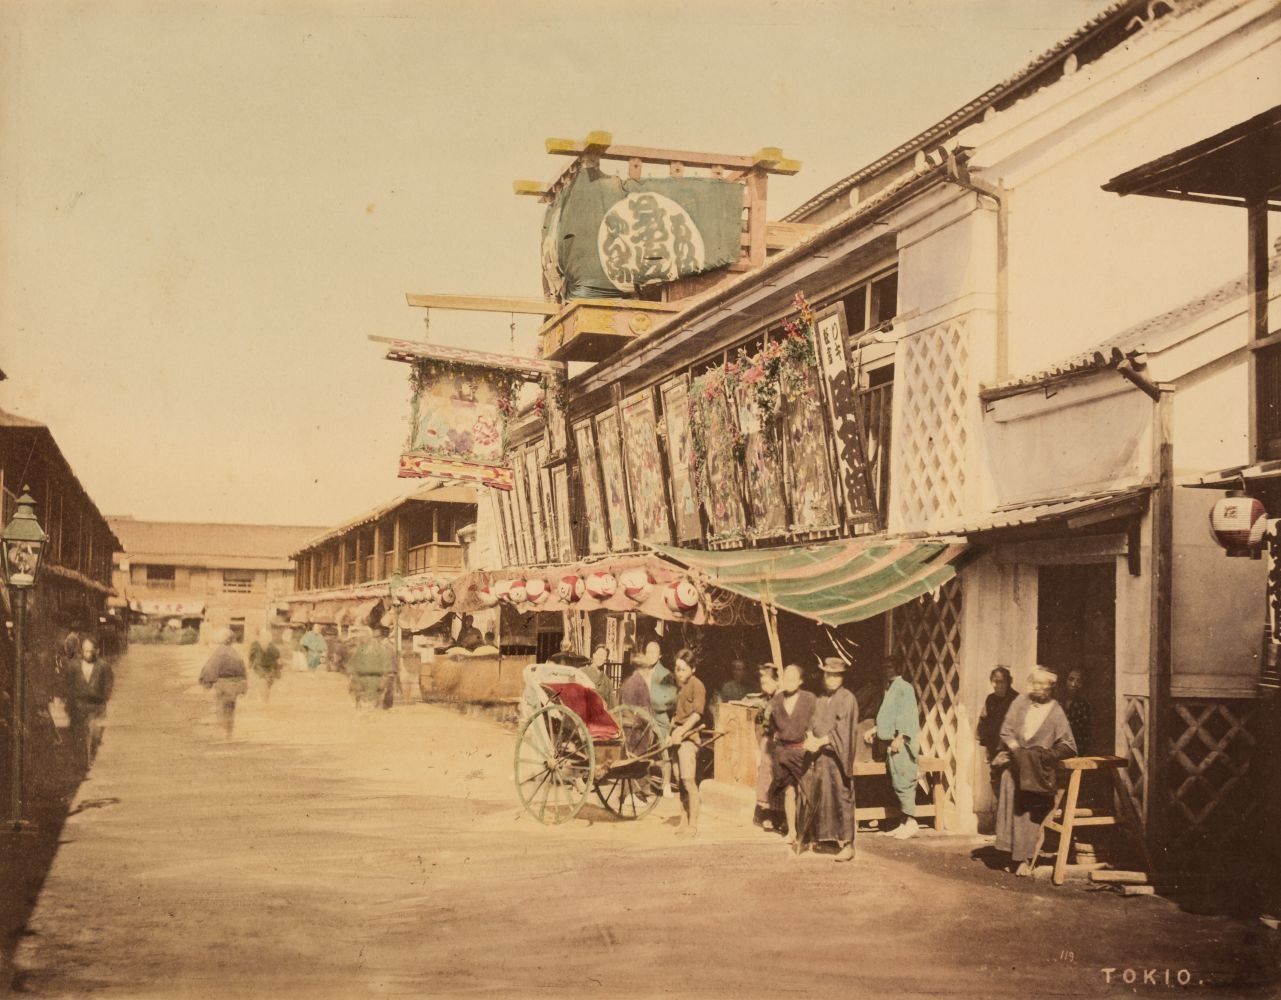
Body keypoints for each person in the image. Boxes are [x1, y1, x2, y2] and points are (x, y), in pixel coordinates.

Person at [994, 666, 1078, 876]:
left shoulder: (1056, 711)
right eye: (1035, 683)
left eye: (1043, 684)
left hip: (1038, 773)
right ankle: (1011, 854)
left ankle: (1025, 858)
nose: (1038, 688)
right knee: (1008, 781)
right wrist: (1018, 752)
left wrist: (1043, 756)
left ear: (1051, 687)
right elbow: (1006, 731)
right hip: (1016, 766)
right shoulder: (1020, 702)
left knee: (1028, 807)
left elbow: (1069, 745)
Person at [800, 658, 858, 861]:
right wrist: (809, 737)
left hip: (836, 756)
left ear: (842, 677)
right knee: (822, 795)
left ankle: (847, 843)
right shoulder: (821, 699)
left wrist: (822, 741)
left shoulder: (847, 698)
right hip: (820, 756)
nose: (831, 679)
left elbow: (843, 729)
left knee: (841, 796)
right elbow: (811, 721)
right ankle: (825, 839)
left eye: (836, 675)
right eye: (828, 674)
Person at [865, 657, 921, 839]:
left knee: (904, 782)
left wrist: (901, 737)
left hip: (901, 744)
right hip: (891, 743)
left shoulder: (905, 688)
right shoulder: (891, 689)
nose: (887, 670)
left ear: (898, 668)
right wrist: (876, 729)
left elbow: (908, 715)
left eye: (890, 667)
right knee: (896, 782)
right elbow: (889, 716)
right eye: (885, 667)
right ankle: (903, 822)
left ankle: (912, 822)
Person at [769, 663, 817, 849]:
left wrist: (811, 739)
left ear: (800, 681)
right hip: (784, 752)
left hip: (802, 751)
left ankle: (809, 833)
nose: (788, 681)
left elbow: (816, 722)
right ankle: (792, 831)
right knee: (789, 792)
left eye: (792, 678)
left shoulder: (809, 699)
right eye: (785, 677)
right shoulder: (777, 700)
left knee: (806, 792)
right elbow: (772, 724)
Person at [667, 648, 706, 837]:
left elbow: (697, 714)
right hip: (676, 737)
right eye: (677, 669)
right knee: (678, 781)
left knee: (689, 781)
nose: (679, 672)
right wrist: (671, 732)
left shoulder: (697, 685)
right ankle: (683, 820)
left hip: (689, 738)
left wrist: (682, 730)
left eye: (682, 669)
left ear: (693, 668)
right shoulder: (680, 687)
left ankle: (693, 824)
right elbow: (676, 715)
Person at [65, 637, 113, 768]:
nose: (88, 654)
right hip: (78, 705)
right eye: (85, 651)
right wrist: (69, 705)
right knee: (82, 734)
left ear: (96, 651)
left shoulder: (103, 666)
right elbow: (68, 686)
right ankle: (85, 762)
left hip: (96, 706)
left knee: (95, 735)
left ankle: (89, 756)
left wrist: (103, 699)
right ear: (81, 651)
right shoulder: (74, 666)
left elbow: (108, 685)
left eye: (91, 651)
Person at [978, 666, 1019, 801]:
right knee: (996, 780)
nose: (999, 685)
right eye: (995, 681)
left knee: (1010, 782)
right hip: (994, 748)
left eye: (1002, 682)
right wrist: (987, 748)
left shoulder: (1017, 700)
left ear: (1009, 682)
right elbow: (983, 722)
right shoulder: (990, 699)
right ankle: (1001, 817)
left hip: (1010, 750)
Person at [749, 663, 782, 831]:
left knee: (776, 777)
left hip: (778, 743)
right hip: (767, 742)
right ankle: (767, 814)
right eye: (763, 683)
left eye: (768, 683)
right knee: (765, 777)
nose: (765, 686)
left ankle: (779, 815)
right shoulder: (766, 700)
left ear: (777, 682)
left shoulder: (781, 699)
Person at [199, 628, 248, 737]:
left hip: (223, 685)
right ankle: (229, 732)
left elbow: (211, 668)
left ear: (221, 640)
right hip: (235, 686)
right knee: (230, 709)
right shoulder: (236, 653)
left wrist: (206, 682)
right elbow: (242, 671)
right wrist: (243, 687)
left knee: (221, 708)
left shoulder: (219, 653)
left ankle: (222, 733)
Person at [646, 640, 678, 795]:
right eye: (648, 652)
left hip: (660, 716)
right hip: (645, 716)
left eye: (653, 652)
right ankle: (645, 784)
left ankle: (666, 785)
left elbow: (671, 699)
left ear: (659, 655)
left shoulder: (666, 674)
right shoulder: (642, 672)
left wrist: (657, 703)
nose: (650, 655)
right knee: (643, 750)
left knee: (664, 751)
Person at [348, 627, 393, 709]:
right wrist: (351, 675)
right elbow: (353, 664)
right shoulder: (359, 649)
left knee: (374, 707)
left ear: (369, 637)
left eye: (363, 637)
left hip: (375, 680)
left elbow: (386, 666)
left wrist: (384, 679)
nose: (360, 639)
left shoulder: (379, 649)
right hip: (361, 682)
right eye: (360, 637)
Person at [1061, 668, 1092, 756]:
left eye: (1078, 681)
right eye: (1071, 679)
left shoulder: (1083, 705)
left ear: (1082, 685)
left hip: (1075, 747)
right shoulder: (1058, 702)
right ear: (1065, 681)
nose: (1074, 684)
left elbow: (1084, 733)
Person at [248, 629, 283, 701]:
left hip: (260, 671)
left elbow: (251, 657)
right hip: (268, 671)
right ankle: (265, 700)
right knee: (266, 688)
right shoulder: (274, 648)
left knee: (262, 687)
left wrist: (250, 665)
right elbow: (279, 662)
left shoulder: (256, 646)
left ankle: (263, 700)